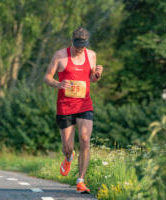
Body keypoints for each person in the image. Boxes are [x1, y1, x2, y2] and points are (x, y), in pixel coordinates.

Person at [44, 27, 103, 193]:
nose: (79, 49)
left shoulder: (91, 55)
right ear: (72, 41)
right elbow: (47, 77)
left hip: (84, 104)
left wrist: (97, 75)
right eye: (77, 45)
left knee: (85, 139)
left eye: (82, 46)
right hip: (65, 105)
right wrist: (58, 84)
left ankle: (81, 180)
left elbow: (92, 78)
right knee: (68, 147)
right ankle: (69, 157)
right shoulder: (60, 55)